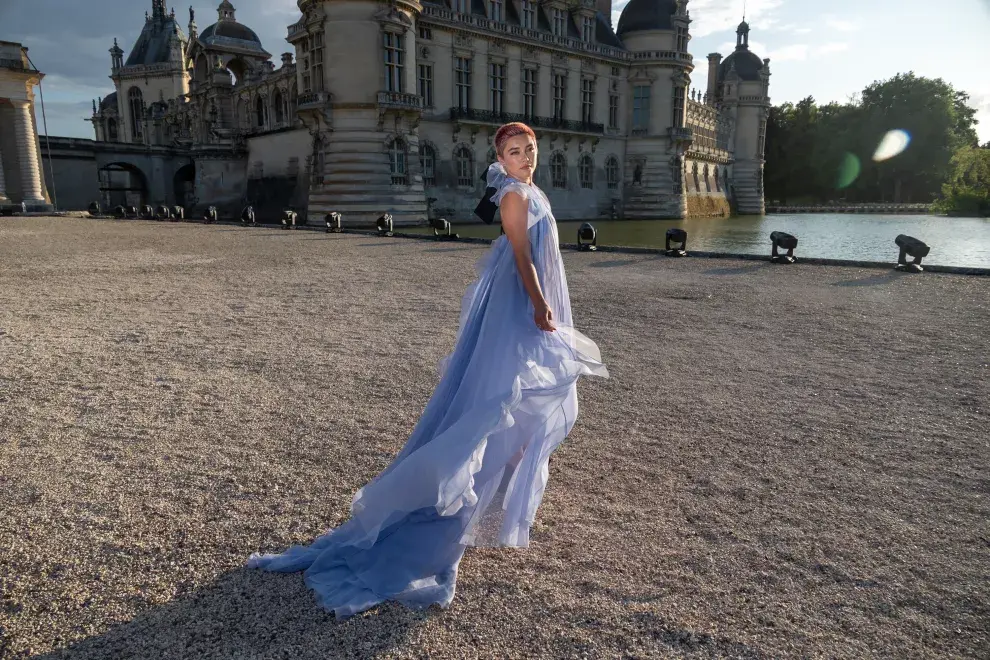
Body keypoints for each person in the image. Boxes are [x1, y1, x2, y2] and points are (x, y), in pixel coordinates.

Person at [248, 122, 609, 619]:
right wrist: (542, 307)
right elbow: (523, 257)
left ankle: (471, 516)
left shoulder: (529, 190)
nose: (524, 157)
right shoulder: (512, 196)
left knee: (514, 407)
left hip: (522, 314)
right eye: (513, 151)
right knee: (493, 409)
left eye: (528, 149)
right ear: (499, 159)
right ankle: (446, 529)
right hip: (517, 313)